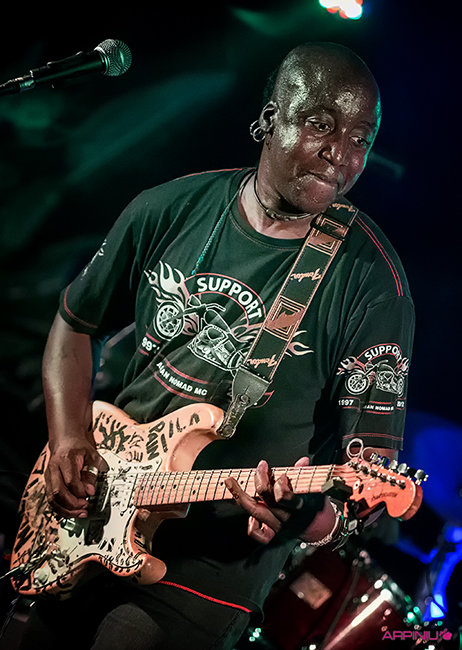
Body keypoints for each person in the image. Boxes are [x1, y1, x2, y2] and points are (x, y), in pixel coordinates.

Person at [17, 41, 415, 649]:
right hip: (92, 509)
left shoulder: (372, 282)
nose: (341, 153)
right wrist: (69, 436)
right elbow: (75, 321)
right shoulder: (170, 207)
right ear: (269, 118)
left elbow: (369, 481)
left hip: (210, 575)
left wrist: (307, 518)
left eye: (361, 138)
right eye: (320, 125)